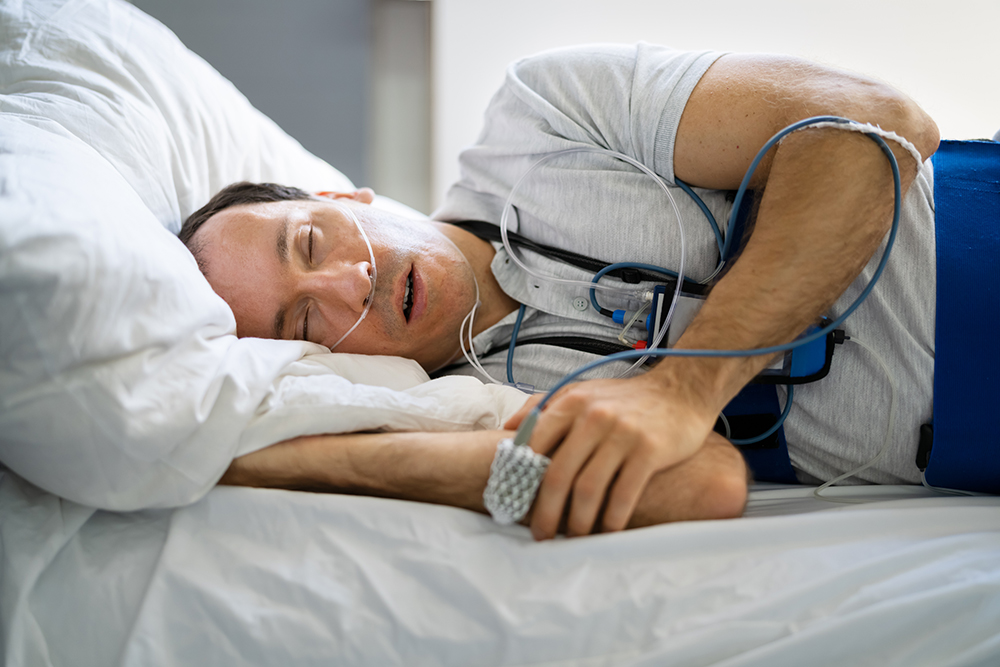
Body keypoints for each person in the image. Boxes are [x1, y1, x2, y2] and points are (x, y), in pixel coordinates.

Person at [180, 44, 946, 540]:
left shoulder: (542, 117)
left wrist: (683, 391)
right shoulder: (462, 412)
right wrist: (271, 461)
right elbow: (703, 483)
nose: (353, 283)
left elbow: (875, 125)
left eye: (312, 242)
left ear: (347, 199)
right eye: (308, 321)